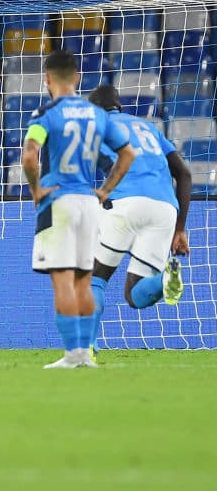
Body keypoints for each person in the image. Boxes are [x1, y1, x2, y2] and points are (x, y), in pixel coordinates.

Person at [21, 49, 136, 369]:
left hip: (58, 201)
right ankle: (86, 352)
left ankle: (72, 353)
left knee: (62, 279)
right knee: (84, 280)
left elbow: (30, 155)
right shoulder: (98, 115)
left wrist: (35, 190)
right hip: (89, 203)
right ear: (78, 78)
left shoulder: (45, 114)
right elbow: (127, 153)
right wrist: (105, 190)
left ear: (47, 79)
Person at [85, 84, 191, 356]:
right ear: (118, 106)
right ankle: (164, 280)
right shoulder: (150, 129)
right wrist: (180, 229)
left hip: (125, 202)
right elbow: (184, 174)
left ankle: (88, 345)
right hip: (166, 209)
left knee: (95, 278)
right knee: (135, 296)